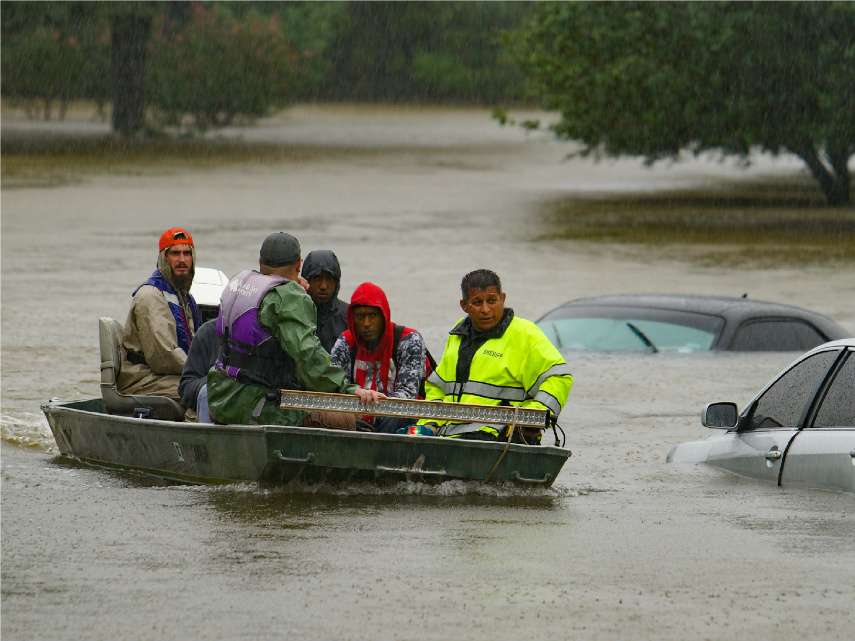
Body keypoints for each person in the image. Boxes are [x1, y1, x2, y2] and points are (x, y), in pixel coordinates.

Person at [207, 232, 382, 427]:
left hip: (220, 397)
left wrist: (290, 285)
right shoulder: (289, 297)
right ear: (299, 265)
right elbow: (307, 355)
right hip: (256, 404)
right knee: (340, 418)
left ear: (260, 262)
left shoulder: (239, 283)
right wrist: (347, 389)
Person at [418, 269, 573, 444]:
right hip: (449, 435)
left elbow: (559, 377)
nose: (485, 309)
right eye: (477, 302)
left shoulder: (525, 334)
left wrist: (533, 415)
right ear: (464, 305)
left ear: (503, 298)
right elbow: (438, 386)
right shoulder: (457, 333)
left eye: (492, 300)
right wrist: (429, 424)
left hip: (501, 438)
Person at [330, 282, 428, 433]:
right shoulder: (345, 342)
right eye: (360, 317)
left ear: (384, 315)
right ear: (352, 318)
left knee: (394, 416)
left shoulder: (408, 340)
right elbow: (334, 385)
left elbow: (408, 393)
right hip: (356, 415)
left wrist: (376, 406)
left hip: (400, 418)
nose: (366, 324)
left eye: (372, 316)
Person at [118, 227, 201, 401]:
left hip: (166, 375)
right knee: (204, 391)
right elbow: (164, 356)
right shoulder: (151, 296)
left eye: (187, 253)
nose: (182, 260)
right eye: (175, 253)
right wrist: (202, 371)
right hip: (142, 378)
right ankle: (193, 424)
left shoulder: (184, 297)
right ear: (164, 258)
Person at [301, 250, 348, 352]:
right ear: (306, 280)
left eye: (329, 279)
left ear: (336, 283)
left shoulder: (349, 317)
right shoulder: (294, 314)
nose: (323, 286)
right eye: (317, 278)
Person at [178, 318, 218, 422]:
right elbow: (186, 386)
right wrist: (218, 381)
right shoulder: (209, 332)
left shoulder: (265, 336)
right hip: (149, 376)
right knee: (206, 392)